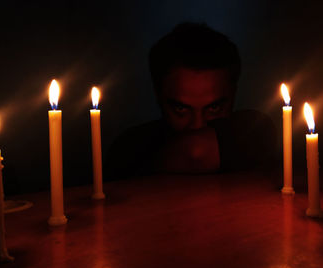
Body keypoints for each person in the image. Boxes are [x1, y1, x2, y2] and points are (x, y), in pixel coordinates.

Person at [105, 22, 276, 179]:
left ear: (234, 93)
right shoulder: (128, 147)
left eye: (214, 107)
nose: (197, 125)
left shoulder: (255, 129)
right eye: (181, 109)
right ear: (157, 94)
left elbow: (196, 151)